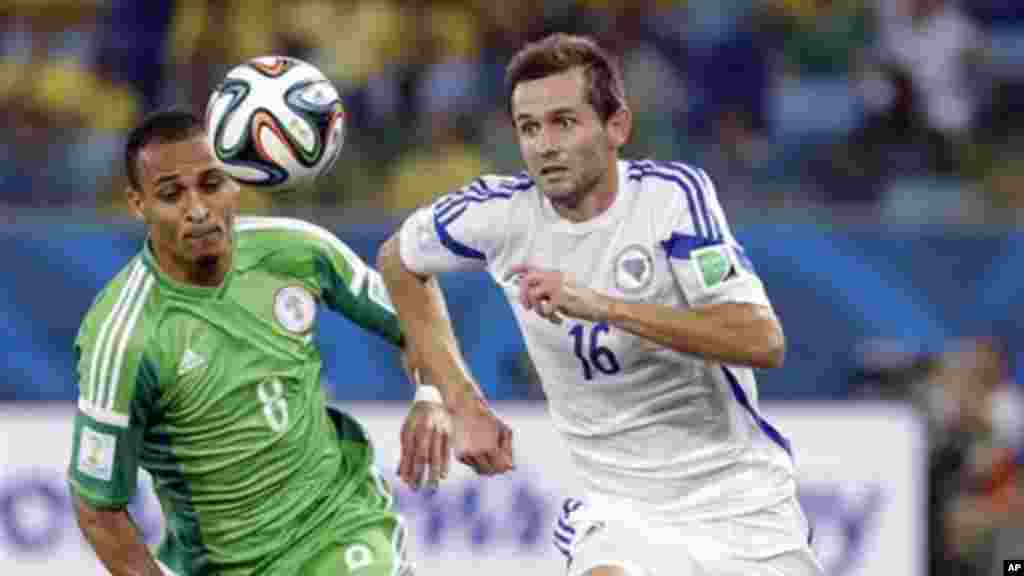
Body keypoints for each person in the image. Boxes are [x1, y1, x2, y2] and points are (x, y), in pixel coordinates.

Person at [378, 33, 823, 576]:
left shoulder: (670, 199)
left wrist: (603, 305)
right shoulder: (501, 214)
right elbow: (398, 260)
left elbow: (761, 340)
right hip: (620, 510)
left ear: (617, 127)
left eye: (564, 122)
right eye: (529, 127)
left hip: (740, 503)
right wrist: (460, 400)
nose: (544, 144)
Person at [67, 109, 439, 575]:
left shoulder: (296, 250)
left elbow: (415, 313)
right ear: (137, 204)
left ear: (235, 181)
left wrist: (432, 394)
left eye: (211, 183)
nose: (198, 208)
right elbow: (98, 507)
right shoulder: (121, 339)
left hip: (341, 527)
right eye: (171, 194)